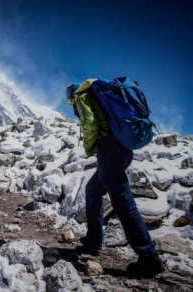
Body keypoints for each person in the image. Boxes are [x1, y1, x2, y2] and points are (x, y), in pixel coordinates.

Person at [66, 80, 164, 278]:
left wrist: (90, 149)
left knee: (123, 203)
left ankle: (149, 256)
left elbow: (91, 124)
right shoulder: (100, 95)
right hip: (122, 151)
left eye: (70, 102)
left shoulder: (83, 97)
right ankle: (93, 242)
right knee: (93, 190)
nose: (72, 105)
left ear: (72, 95)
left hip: (109, 151)